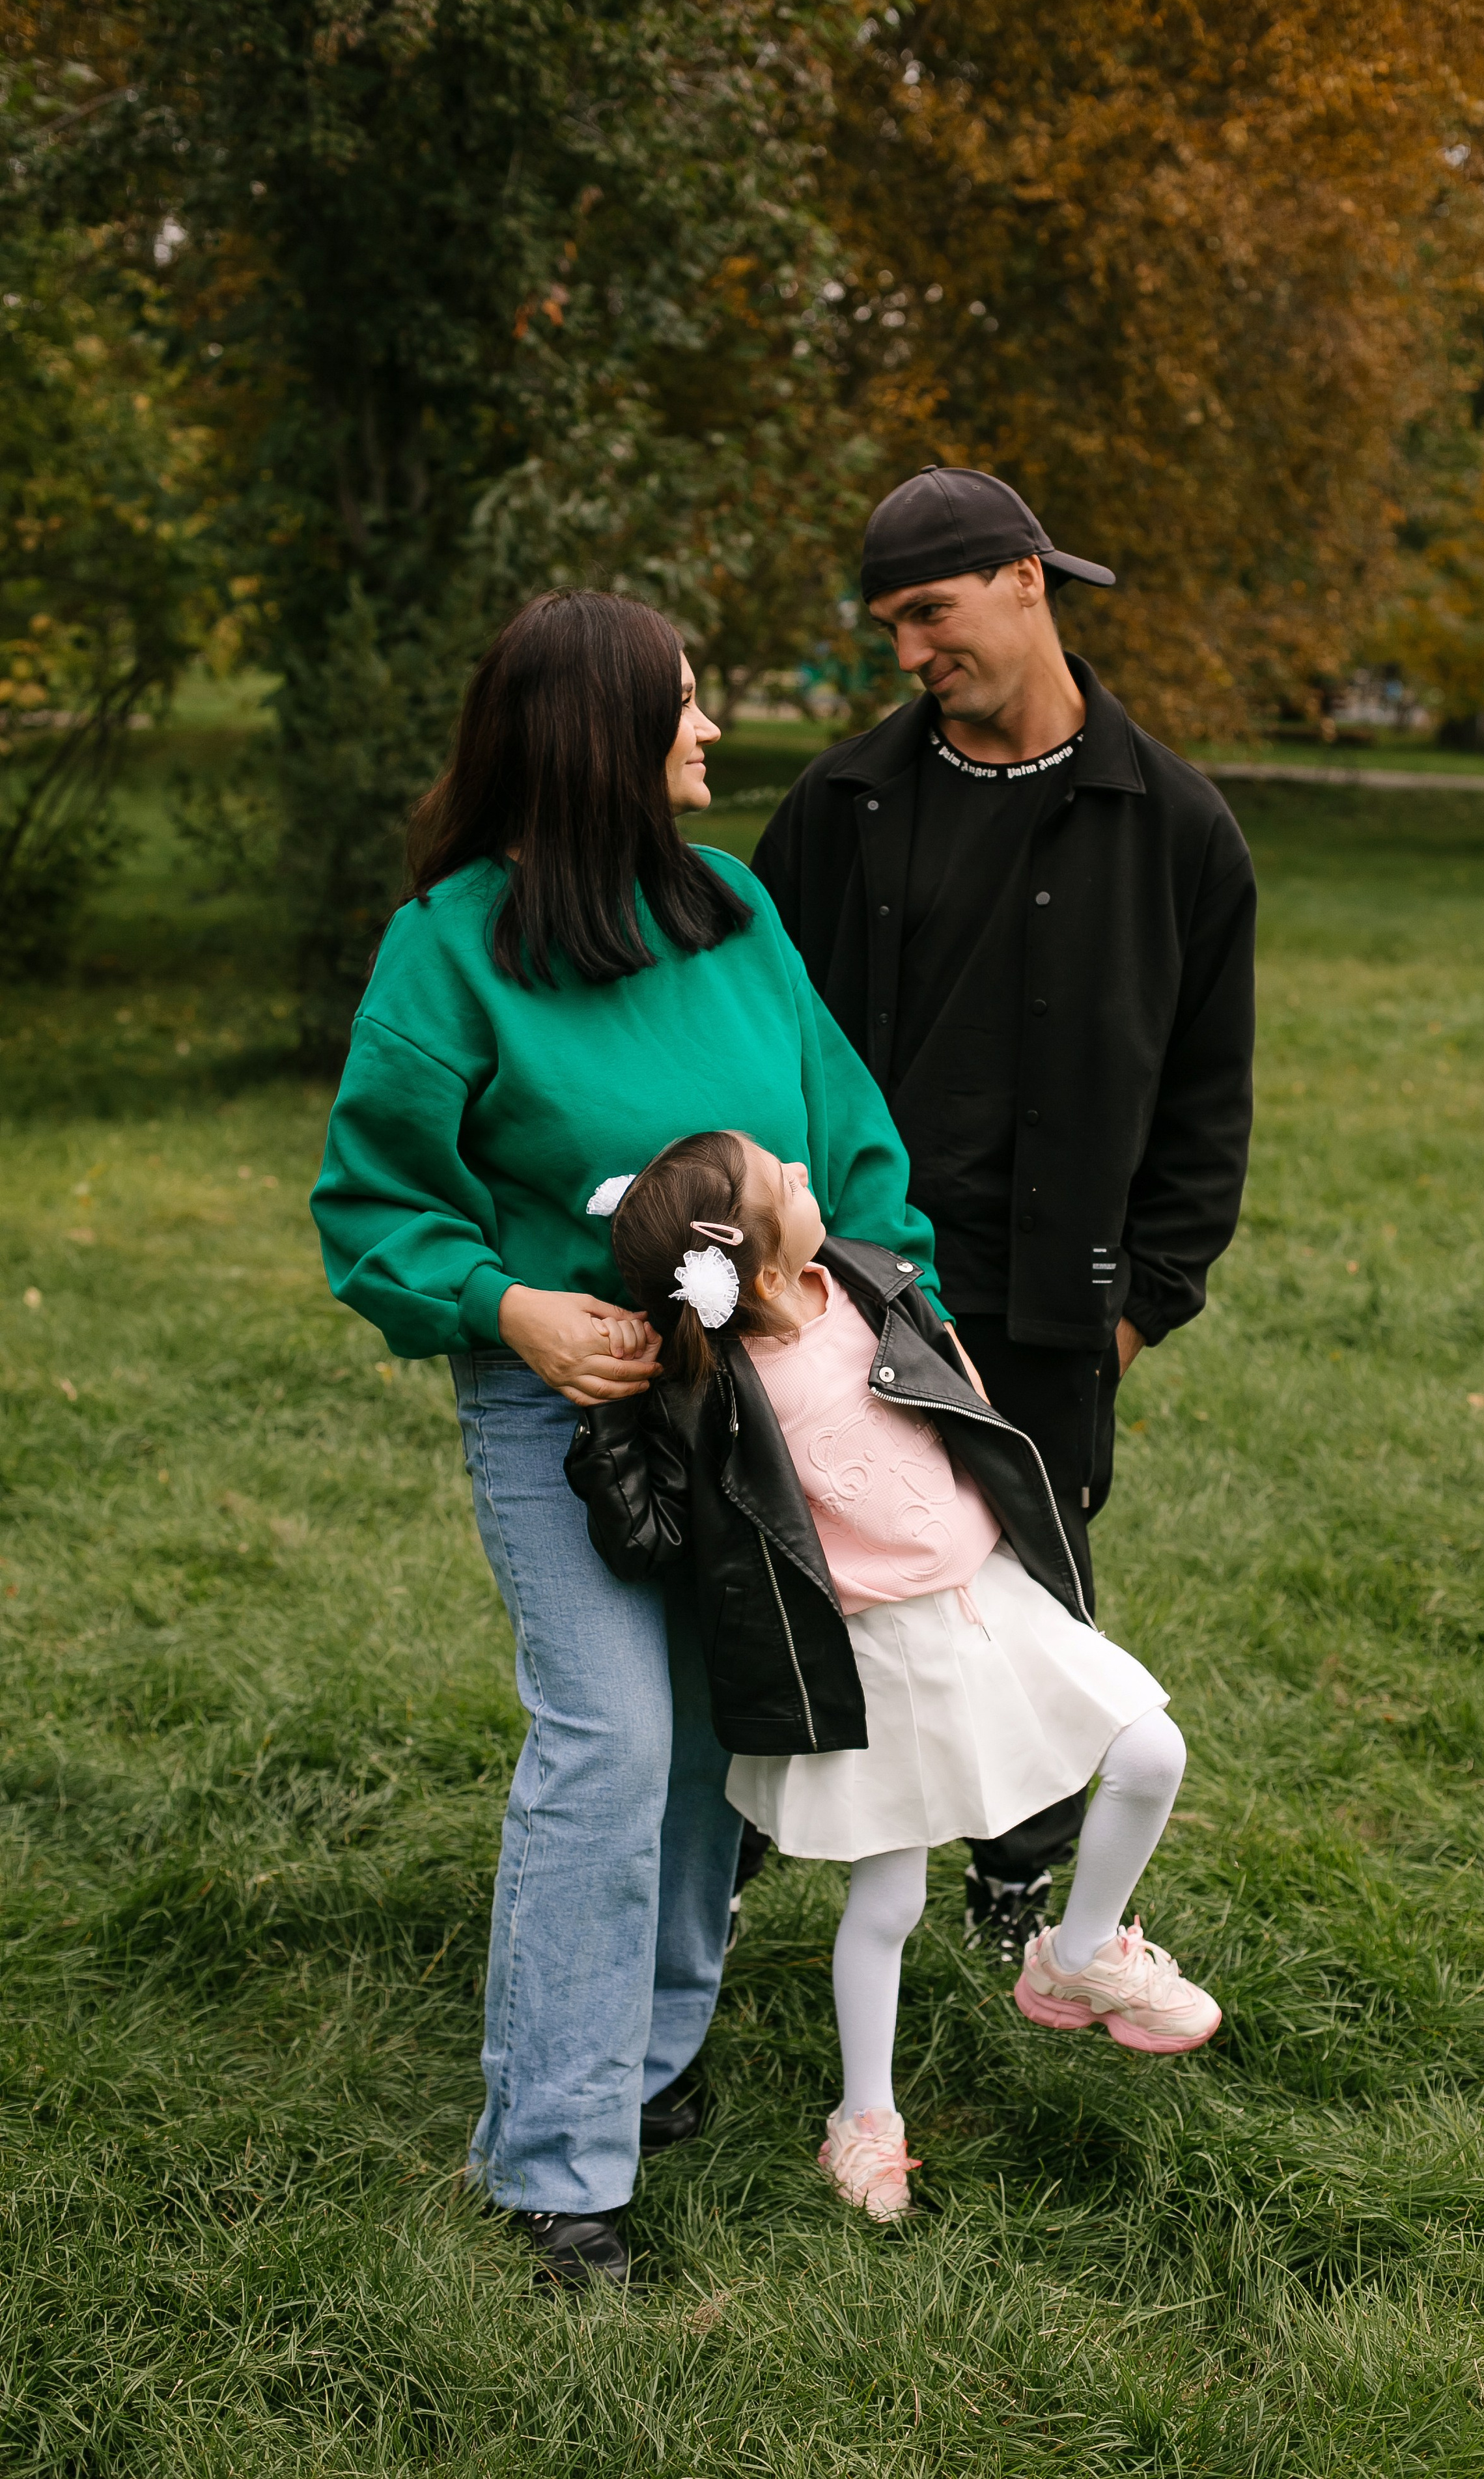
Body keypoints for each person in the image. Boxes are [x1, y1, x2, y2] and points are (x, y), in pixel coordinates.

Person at [310, 590, 945, 2288]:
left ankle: (646, 2065)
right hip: (571, 1409)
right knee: (608, 1740)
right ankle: (557, 2165)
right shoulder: (448, 946)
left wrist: (894, 1328)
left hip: (760, 1392)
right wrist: (504, 1307)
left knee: (704, 1738)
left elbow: (851, 1137)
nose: (710, 730)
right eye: (679, 705)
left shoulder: (730, 904)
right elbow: (372, 1200)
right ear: (595, 738)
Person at [751, 467, 1256, 1963]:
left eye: (930, 613)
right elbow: (748, 1035)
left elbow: (1204, 1104)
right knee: (793, 1584)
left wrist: (1131, 1308)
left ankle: (1018, 1887)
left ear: (1025, 580)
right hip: (840, 1291)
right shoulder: (839, 807)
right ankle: (722, 1870)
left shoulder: (1176, 829)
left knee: (1028, 1604)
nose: (908, 653)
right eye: (890, 625)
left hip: (1048, 1308)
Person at [567, 1128, 1220, 2219]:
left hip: (988, 1598)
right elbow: (656, 1538)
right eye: (785, 1182)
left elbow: (963, 1406)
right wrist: (610, 1426)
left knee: (1152, 1748)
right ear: (759, 1268)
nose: (809, 1178)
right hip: (871, 1652)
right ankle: (863, 2117)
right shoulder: (715, 1392)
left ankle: (1082, 1952)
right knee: (890, 1896)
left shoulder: (874, 1284)